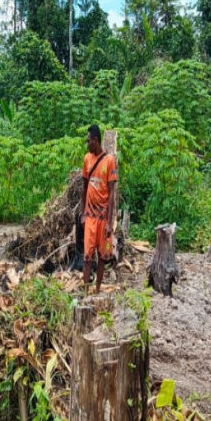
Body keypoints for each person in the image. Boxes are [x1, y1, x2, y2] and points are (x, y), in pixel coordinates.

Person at [81, 125, 118, 295]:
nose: (87, 144)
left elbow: (111, 193)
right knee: (87, 255)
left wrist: (110, 222)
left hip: (103, 217)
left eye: (88, 141)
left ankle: (97, 290)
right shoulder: (87, 159)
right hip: (90, 215)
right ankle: (86, 291)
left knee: (102, 256)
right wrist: (82, 212)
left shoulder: (109, 161)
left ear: (95, 140)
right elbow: (84, 186)